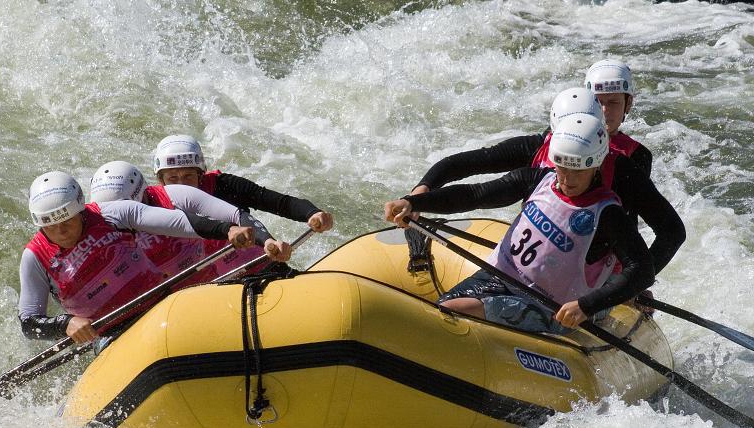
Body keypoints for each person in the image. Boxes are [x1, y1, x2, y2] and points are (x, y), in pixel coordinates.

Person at [385, 114, 655, 333]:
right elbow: (475, 194)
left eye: (579, 169)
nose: (568, 178)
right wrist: (415, 203)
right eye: (562, 165)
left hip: (551, 309)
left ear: (597, 165)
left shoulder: (607, 213)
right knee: (438, 309)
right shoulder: (537, 179)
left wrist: (587, 306)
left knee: (453, 311)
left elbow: (641, 269)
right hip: (496, 278)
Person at [411, 76, 685, 277]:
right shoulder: (537, 147)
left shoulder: (625, 167)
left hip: (592, 270)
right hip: (542, 253)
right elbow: (470, 173)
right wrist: (421, 194)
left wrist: (637, 280)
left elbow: (661, 229)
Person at [19, 171, 254, 344]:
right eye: (51, 226)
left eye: (67, 221)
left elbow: (177, 221)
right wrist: (65, 323)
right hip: (111, 334)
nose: (61, 232)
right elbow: (29, 322)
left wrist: (227, 230)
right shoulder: (34, 257)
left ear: (80, 209)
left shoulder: (112, 214)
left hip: (162, 305)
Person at [90, 161, 287, 284]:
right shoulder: (93, 225)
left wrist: (267, 241)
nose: (118, 217)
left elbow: (234, 216)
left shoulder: (176, 194)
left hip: (211, 284)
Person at [151, 135, 334, 238]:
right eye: (173, 178)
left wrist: (312, 213)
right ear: (161, 181)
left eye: (188, 176)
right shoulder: (151, 203)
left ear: (201, 175)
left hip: (243, 261)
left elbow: (278, 202)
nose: (182, 185)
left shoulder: (225, 185)